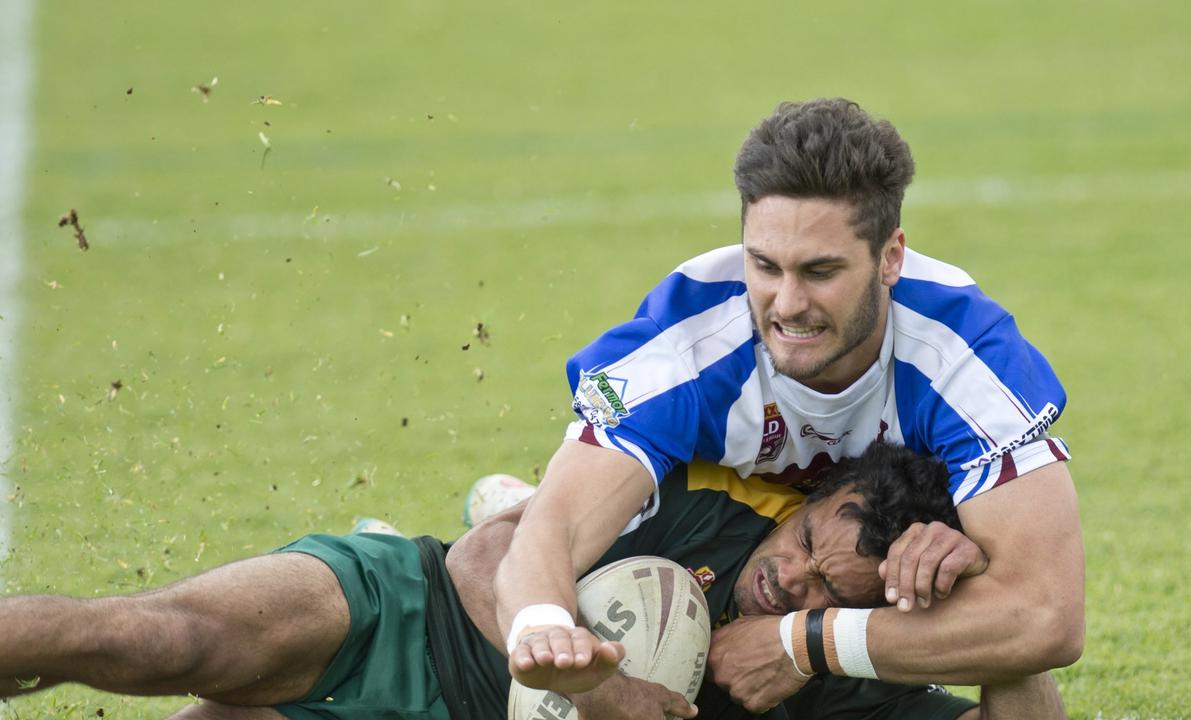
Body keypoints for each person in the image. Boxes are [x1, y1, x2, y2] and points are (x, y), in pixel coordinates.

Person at [494, 98, 1085, 714]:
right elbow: (552, 531)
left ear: (890, 257)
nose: (787, 302)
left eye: (820, 270)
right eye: (765, 265)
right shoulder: (689, 347)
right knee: (530, 520)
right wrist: (544, 629)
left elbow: (1048, 617)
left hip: (852, 586)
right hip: (697, 535)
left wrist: (806, 644)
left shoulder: (964, 360)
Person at [0, 446, 1006, 719]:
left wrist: (994, 592)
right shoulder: (690, 488)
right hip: (405, 614)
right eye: (806, 549)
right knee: (157, 643)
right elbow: (487, 556)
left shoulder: (852, 668)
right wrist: (604, 693)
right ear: (808, 494)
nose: (798, 589)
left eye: (840, 596)